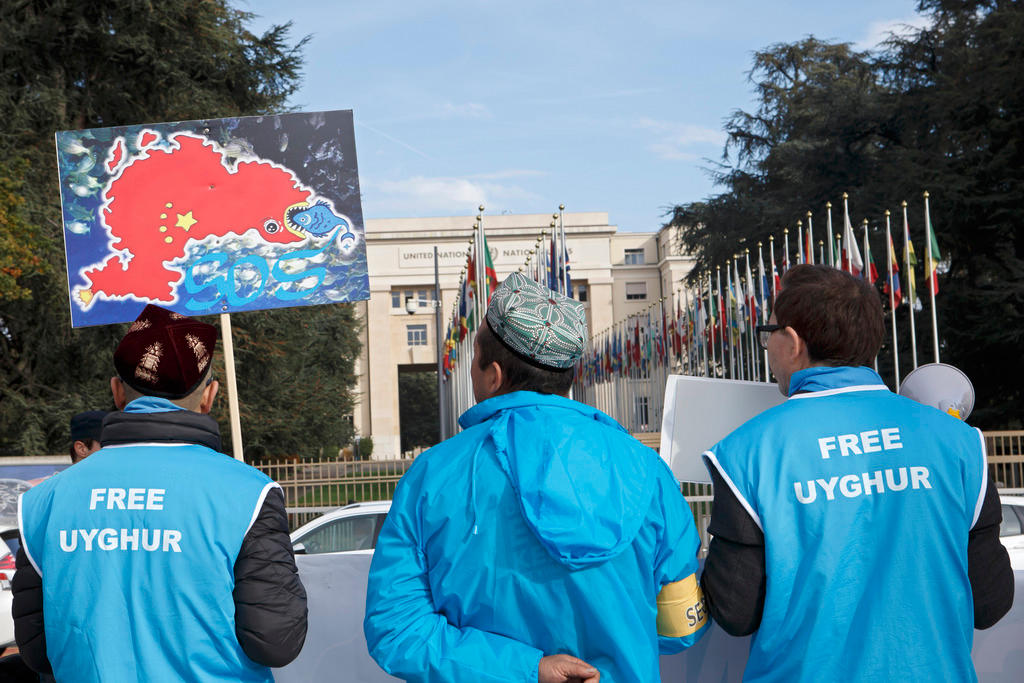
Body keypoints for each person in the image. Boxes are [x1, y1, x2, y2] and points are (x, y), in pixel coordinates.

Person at [364, 272, 709, 683]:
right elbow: (679, 629)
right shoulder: (648, 470)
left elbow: (397, 629)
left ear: (493, 374)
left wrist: (527, 669)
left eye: (472, 357)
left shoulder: (431, 474)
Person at [700, 264, 1013, 682]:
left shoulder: (745, 451)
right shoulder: (958, 442)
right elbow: (991, 601)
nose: (767, 346)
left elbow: (735, 612)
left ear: (792, 342)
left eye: (768, 332)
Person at [13, 304, 308, 682]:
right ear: (210, 395)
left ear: (117, 392)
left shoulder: (43, 502)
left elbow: (37, 651)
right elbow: (277, 641)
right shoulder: (250, 495)